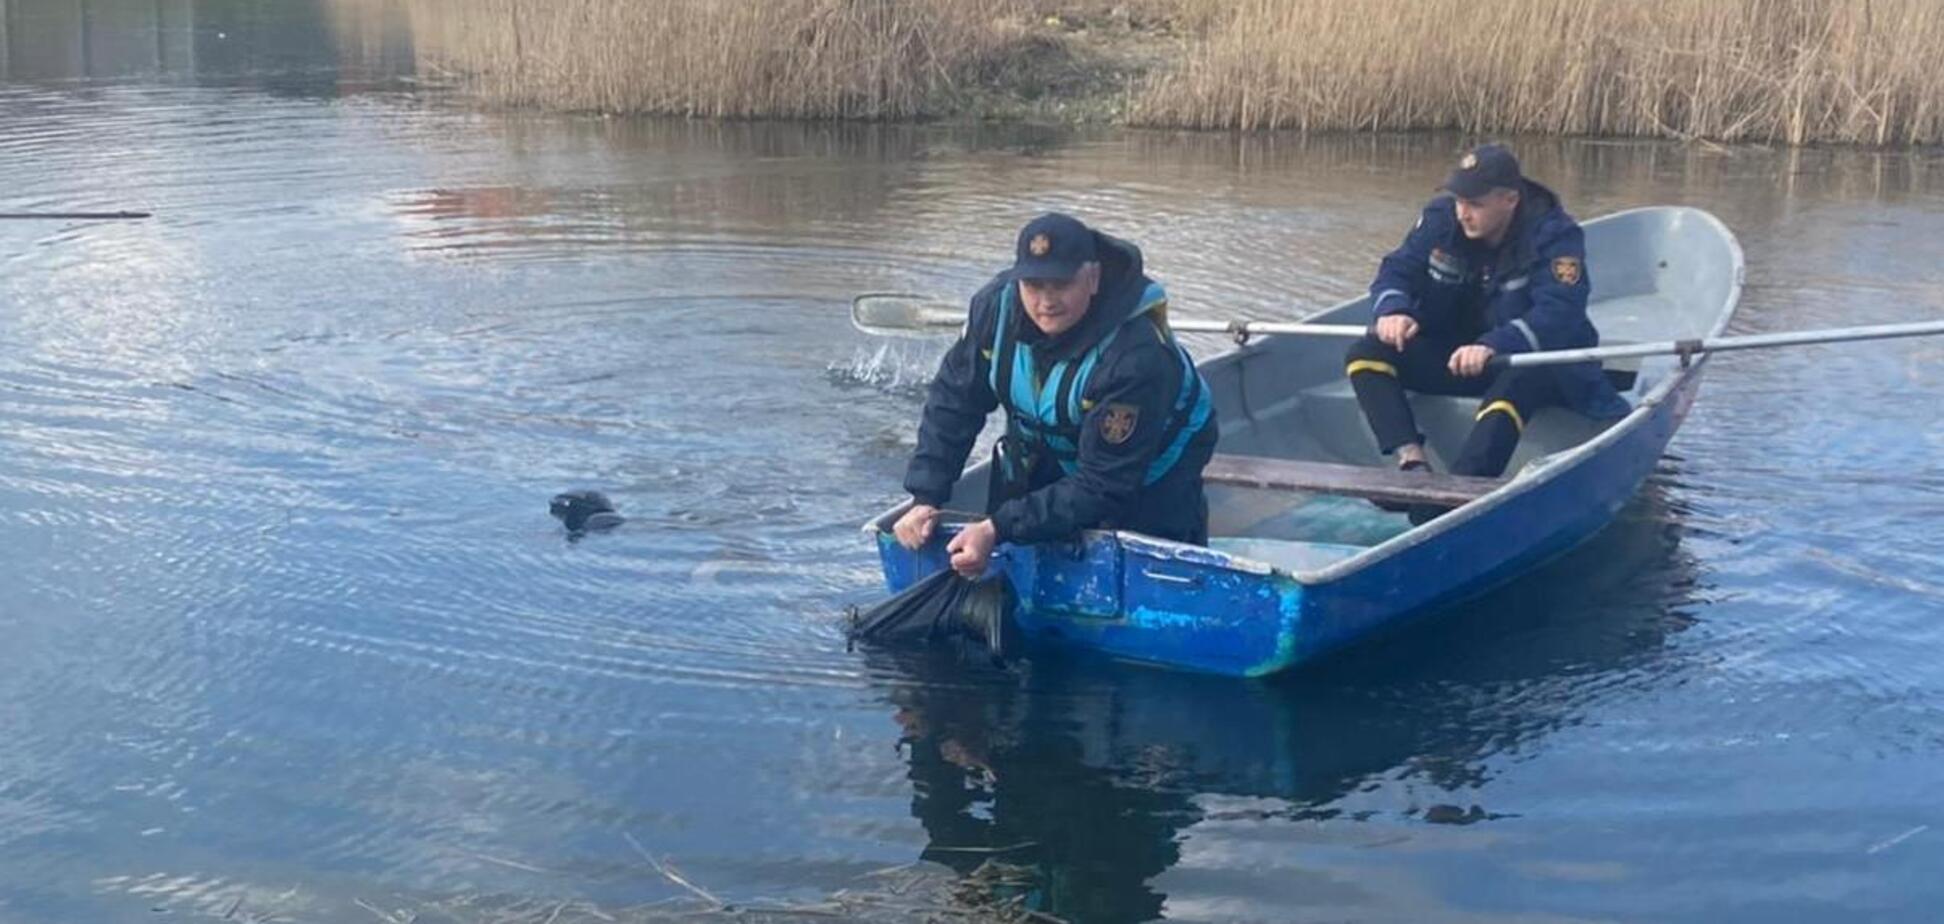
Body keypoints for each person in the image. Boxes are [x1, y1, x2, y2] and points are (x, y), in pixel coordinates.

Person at [892, 212, 1218, 578]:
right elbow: (954, 404)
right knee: (1018, 543)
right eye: (1033, 285)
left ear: (1092, 278)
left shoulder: (1135, 357)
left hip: (1151, 464)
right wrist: (926, 496)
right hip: (1053, 442)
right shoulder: (993, 311)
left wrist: (997, 527)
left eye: (1061, 284)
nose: (1046, 301)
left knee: (1140, 560)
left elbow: (1105, 484)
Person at [1344, 143, 1628, 512]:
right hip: (1460, 357)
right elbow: (1396, 270)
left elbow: (1560, 312)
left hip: (1533, 363)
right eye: (1459, 201)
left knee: (1515, 382)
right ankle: (1412, 467)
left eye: (1475, 204)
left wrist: (1495, 344)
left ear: (1509, 200)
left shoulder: (1555, 235)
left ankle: (1457, 496)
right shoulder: (1440, 219)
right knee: (1367, 352)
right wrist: (1394, 311)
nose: (1463, 212)